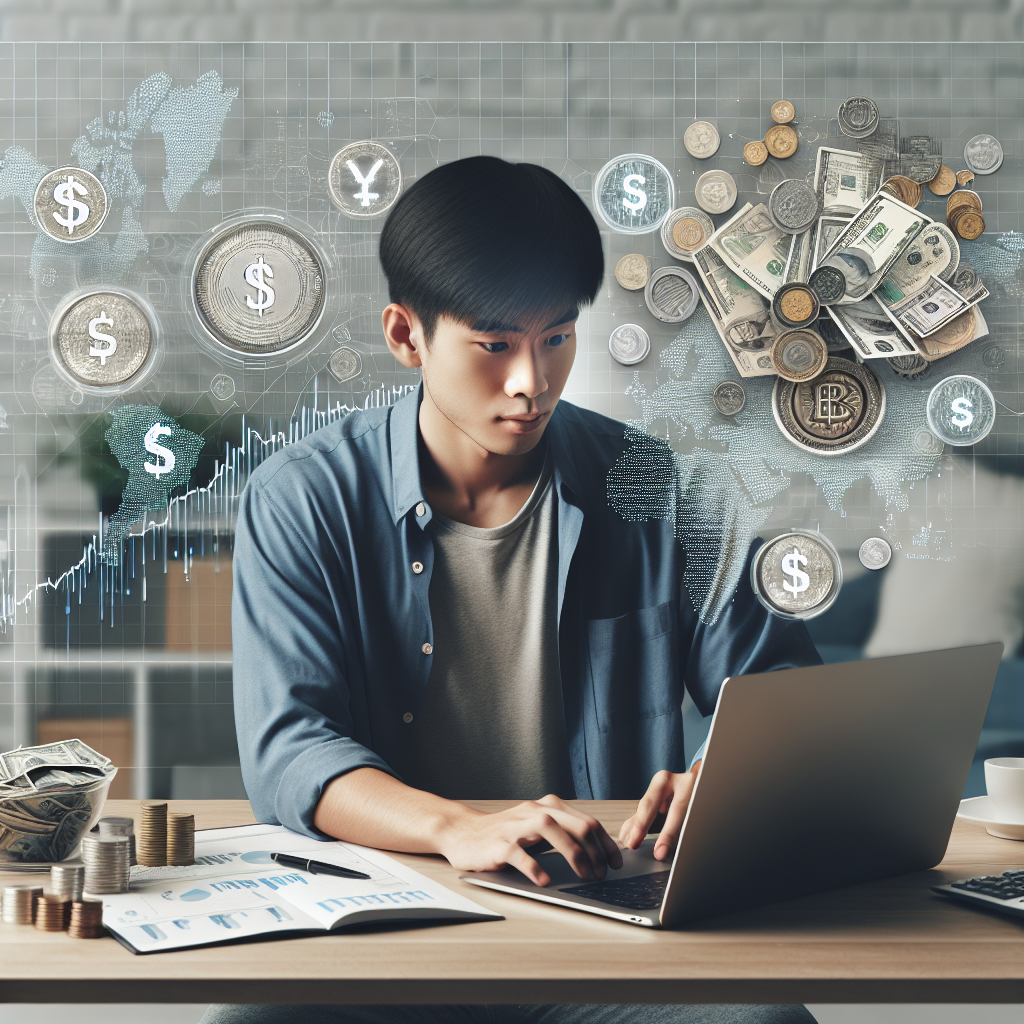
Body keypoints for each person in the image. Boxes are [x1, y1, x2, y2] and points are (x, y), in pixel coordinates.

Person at [204, 156, 821, 1024]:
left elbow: (783, 697)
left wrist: (729, 774)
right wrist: (456, 827)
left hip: (606, 931)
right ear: (405, 336)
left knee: (763, 1020)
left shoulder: (657, 486)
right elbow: (290, 751)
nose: (531, 381)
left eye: (556, 338)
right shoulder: (303, 498)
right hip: (389, 922)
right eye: (494, 345)